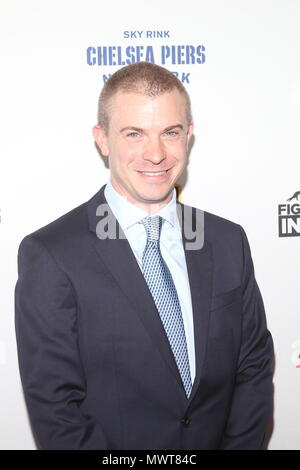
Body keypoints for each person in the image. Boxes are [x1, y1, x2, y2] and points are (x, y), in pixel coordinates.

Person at [15, 61, 274, 450]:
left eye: (169, 132)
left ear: (188, 136)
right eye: (134, 133)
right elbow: (57, 410)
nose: (156, 154)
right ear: (102, 139)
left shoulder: (226, 241)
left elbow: (252, 369)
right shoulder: (52, 255)